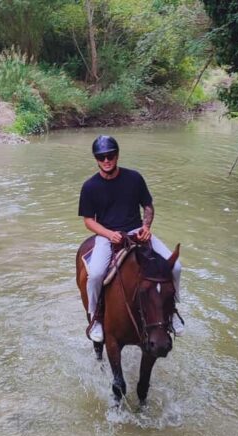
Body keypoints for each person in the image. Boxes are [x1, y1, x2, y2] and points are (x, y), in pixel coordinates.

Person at [78, 135, 184, 343]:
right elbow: (89, 221)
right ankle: (96, 318)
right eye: (102, 157)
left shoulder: (134, 178)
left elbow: (148, 206)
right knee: (96, 275)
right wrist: (108, 234)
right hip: (108, 236)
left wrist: (146, 227)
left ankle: (173, 313)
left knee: (176, 267)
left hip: (137, 231)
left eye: (110, 155)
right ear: (96, 159)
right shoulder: (90, 186)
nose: (107, 160)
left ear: (117, 155)